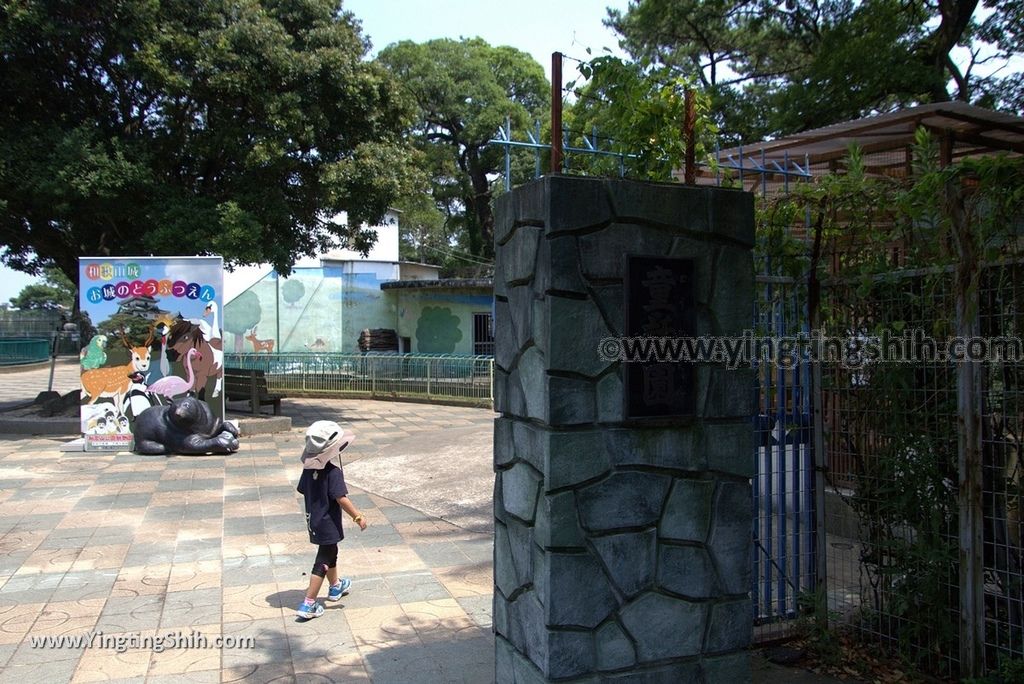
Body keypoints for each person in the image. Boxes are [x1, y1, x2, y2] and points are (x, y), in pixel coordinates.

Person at [295, 420, 368, 619]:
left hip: (314, 520)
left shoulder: (309, 470)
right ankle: (309, 603)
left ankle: (335, 586)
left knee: (330, 552)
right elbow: (341, 499)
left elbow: (302, 489)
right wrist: (358, 517)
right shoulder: (334, 473)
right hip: (328, 522)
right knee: (323, 560)